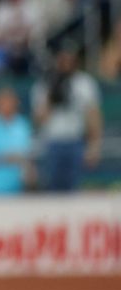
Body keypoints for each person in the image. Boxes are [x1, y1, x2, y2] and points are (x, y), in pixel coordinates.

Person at [31, 44, 103, 191]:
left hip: (76, 141)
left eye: (69, 58)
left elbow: (93, 116)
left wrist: (94, 146)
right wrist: (52, 96)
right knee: (52, 188)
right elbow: (38, 120)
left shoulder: (84, 83)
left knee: (74, 188)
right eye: (62, 58)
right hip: (52, 142)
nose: (65, 62)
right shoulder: (45, 83)